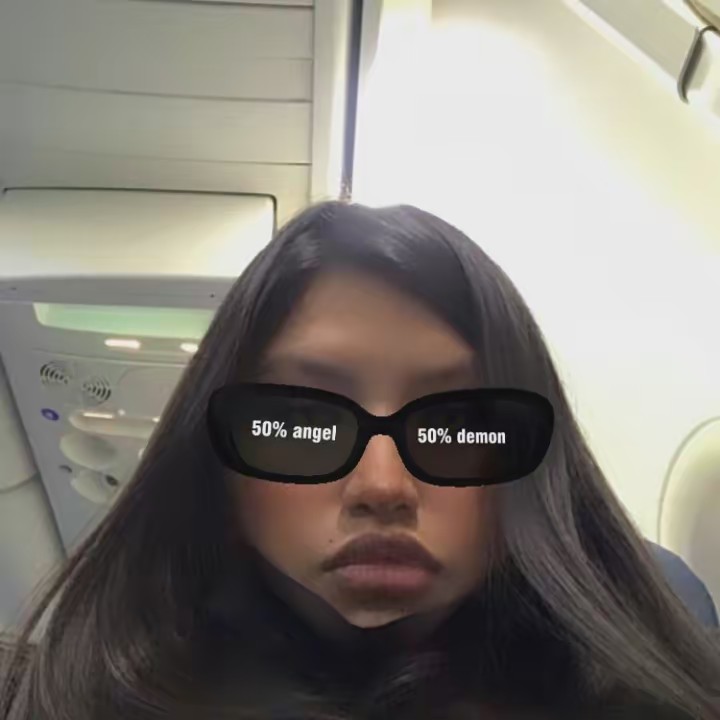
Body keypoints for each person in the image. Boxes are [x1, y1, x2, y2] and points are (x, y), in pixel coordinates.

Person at [1, 201, 719, 720]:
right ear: (219, 467)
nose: (382, 486)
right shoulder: (79, 688)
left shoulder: (654, 660)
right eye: (303, 421)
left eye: (457, 426)